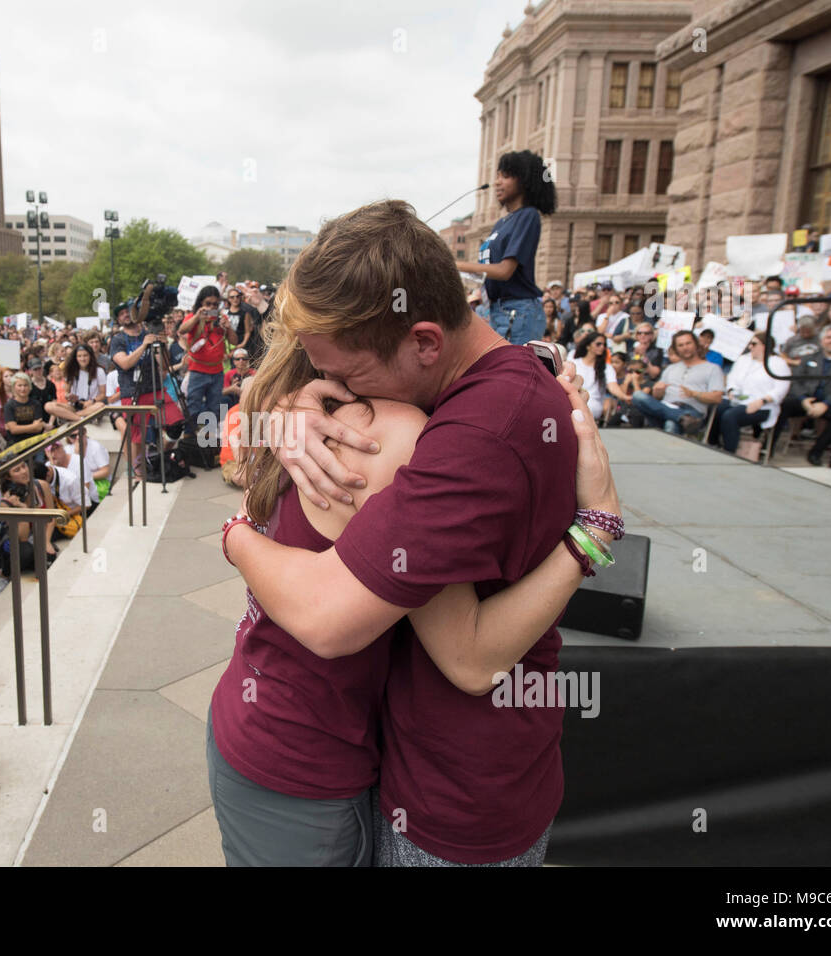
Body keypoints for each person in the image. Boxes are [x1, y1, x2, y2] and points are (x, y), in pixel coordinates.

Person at [217, 199, 618, 866]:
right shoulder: (460, 392)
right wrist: (288, 399)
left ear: (426, 341)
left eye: (347, 375)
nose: (333, 391)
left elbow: (460, 656)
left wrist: (593, 537)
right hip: (416, 772)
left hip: (455, 799)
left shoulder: (463, 438)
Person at [471, 150, 558, 345]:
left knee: (509, 374)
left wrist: (454, 264)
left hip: (517, 312)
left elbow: (504, 271)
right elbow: (485, 272)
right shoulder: (501, 224)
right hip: (495, 310)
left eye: (506, 176)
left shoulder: (528, 216)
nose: (497, 182)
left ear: (524, 181)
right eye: (497, 176)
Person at [629, 330, 725, 434]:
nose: (685, 347)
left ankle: (679, 418)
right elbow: (657, 397)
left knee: (670, 423)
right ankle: (680, 417)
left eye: (688, 343)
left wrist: (694, 394)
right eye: (680, 345)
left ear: (696, 344)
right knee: (638, 395)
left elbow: (717, 398)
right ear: (676, 349)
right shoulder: (671, 368)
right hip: (665, 406)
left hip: (692, 412)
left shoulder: (712, 368)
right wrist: (658, 391)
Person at [709, 333, 791, 453]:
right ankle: (713, 443)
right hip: (739, 399)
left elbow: (781, 389)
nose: (750, 347)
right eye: (750, 344)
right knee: (717, 408)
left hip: (763, 405)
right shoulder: (744, 359)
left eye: (754, 344)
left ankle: (729, 451)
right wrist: (731, 390)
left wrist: (762, 401)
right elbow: (733, 378)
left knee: (730, 416)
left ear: (764, 346)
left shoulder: (778, 364)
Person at [180, 285, 232, 442]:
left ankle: (208, 442)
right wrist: (198, 316)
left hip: (216, 371)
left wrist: (228, 328)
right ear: (201, 303)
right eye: (208, 304)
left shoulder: (222, 318)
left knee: (214, 408)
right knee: (193, 406)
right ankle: (189, 438)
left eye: (215, 304)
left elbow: (234, 340)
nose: (211, 307)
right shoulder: (193, 317)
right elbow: (182, 330)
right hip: (197, 370)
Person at [572, 334, 629, 421]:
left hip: (593, 404)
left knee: (581, 412)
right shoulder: (574, 362)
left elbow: (613, 386)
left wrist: (624, 397)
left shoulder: (607, 367)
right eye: (598, 344)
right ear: (588, 346)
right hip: (573, 400)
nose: (602, 347)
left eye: (604, 345)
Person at [46, 345, 107, 423]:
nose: (82, 359)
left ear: (90, 356)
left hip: (90, 405)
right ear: (75, 358)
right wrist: (69, 396)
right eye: (79, 356)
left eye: (85, 355)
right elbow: (67, 392)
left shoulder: (99, 371)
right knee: (49, 406)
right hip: (74, 405)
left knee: (101, 406)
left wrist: (92, 401)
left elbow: (103, 394)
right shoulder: (71, 370)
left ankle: (72, 416)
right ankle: (80, 418)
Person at [2, 373, 50, 446]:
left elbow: (39, 428)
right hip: (16, 445)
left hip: (35, 444)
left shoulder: (36, 404)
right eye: (20, 385)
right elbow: (13, 429)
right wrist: (33, 426)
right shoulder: (9, 406)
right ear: (14, 387)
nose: (23, 389)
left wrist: (20, 428)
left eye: (25, 385)